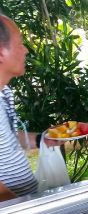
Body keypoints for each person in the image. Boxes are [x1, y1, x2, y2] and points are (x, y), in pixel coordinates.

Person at [0, 14, 53, 201]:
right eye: (20, 43)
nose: (25, 51)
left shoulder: (2, 93)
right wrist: (30, 212)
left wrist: (42, 140)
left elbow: (7, 141)